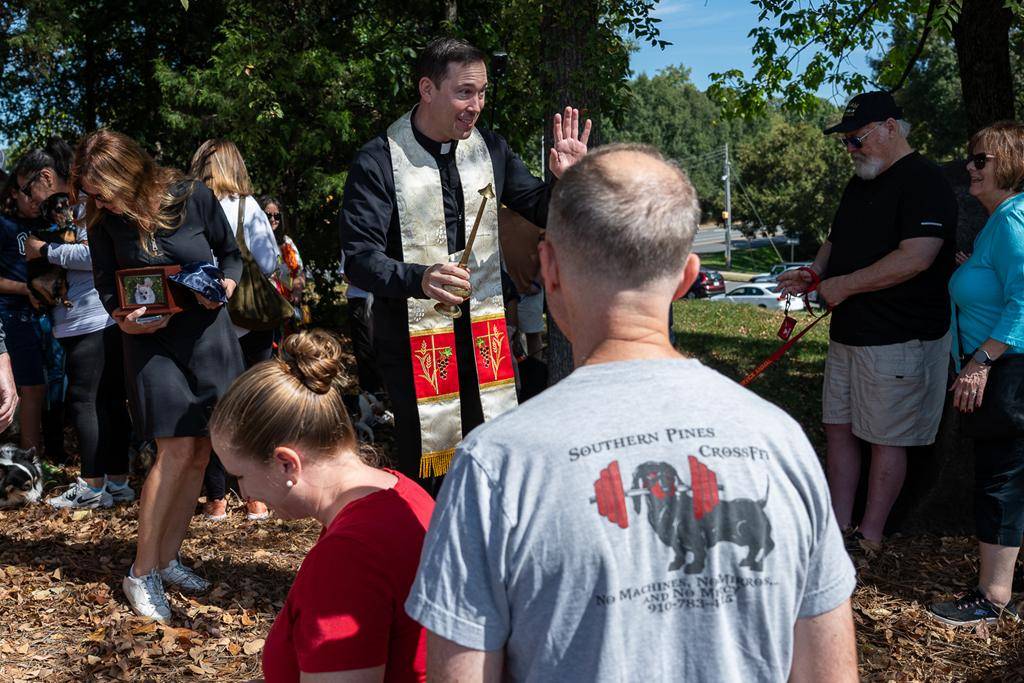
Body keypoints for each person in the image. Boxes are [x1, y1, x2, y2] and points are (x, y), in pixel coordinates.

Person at [405, 144, 858, 681]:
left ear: (548, 268)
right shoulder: (781, 441)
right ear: (688, 277)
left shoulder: (495, 463)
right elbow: (830, 671)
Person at [340, 37, 590, 489]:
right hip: (416, 340)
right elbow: (359, 260)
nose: (475, 105)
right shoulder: (379, 159)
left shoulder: (489, 148)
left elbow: (540, 207)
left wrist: (567, 182)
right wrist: (420, 278)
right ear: (427, 89)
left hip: (488, 333)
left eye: (482, 93)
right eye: (464, 92)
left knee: (497, 455)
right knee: (432, 471)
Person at [76, 129, 245, 622]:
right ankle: (141, 571)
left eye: (103, 188)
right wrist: (121, 316)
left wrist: (225, 287)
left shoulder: (191, 195)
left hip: (208, 337)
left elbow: (229, 254)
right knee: (173, 449)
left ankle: (169, 558)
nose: (98, 199)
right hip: (149, 344)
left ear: (130, 171)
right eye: (89, 191)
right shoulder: (102, 222)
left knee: (198, 449)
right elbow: (109, 285)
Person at [778, 91, 958, 551]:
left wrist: (844, 286)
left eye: (857, 140)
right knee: (838, 427)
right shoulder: (859, 183)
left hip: (900, 335)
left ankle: (870, 535)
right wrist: (815, 273)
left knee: (885, 438)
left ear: (891, 128)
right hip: (849, 332)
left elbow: (916, 258)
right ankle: (837, 528)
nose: (850, 150)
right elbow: (835, 242)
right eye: (847, 142)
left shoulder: (925, 180)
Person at [209, 329, 434, 681]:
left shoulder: (347, 558)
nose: (243, 492)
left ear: (286, 464)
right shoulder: (399, 490)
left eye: (238, 475)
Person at [928, 121, 1024, 626]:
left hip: (1009, 371)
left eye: (980, 160)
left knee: (1000, 480)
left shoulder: (1011, 219)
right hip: (1007, 366)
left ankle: (993, 597)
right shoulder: (1001, 220)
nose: (970, 166)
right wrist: (970, 267)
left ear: (1008, 163)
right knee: (1006, 475)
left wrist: (979, 362)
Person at [9, 141, 135, 509]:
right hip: (96, 316)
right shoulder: (81, 203)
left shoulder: (83, 204)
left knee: (85, 401)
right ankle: (116, 481)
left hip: (91, 318)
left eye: (27, 187)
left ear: (46, 177)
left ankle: (92, 486)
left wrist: (44, 250)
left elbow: (94, 254)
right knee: (109, 401)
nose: (28, 197)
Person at [189, 139, 277, 522]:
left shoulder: (188, 205)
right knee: (256, 404)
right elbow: (270, 261)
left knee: (215, 406)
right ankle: (255, 497)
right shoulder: (247, 207)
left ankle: (216, 497)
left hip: (209, 318)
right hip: (252, 320)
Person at [0, 152, 53, 454]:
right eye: (28, 195)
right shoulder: (4, 225)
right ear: (13, 193)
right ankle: (27, 458)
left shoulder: (48, 223)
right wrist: (25, 289)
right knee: (27, 388)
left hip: (44, 316)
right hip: (10, 316)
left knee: (39, 388)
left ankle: (32, 456)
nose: (35, 201)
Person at [259, 195, 306, 327]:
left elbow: (300, 272)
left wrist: (297, 291)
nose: (273, 220)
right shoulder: (255, 243)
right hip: (266, 307)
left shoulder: (287, 242)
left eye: (277, 216)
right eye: (268, 215)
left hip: (289, 307)